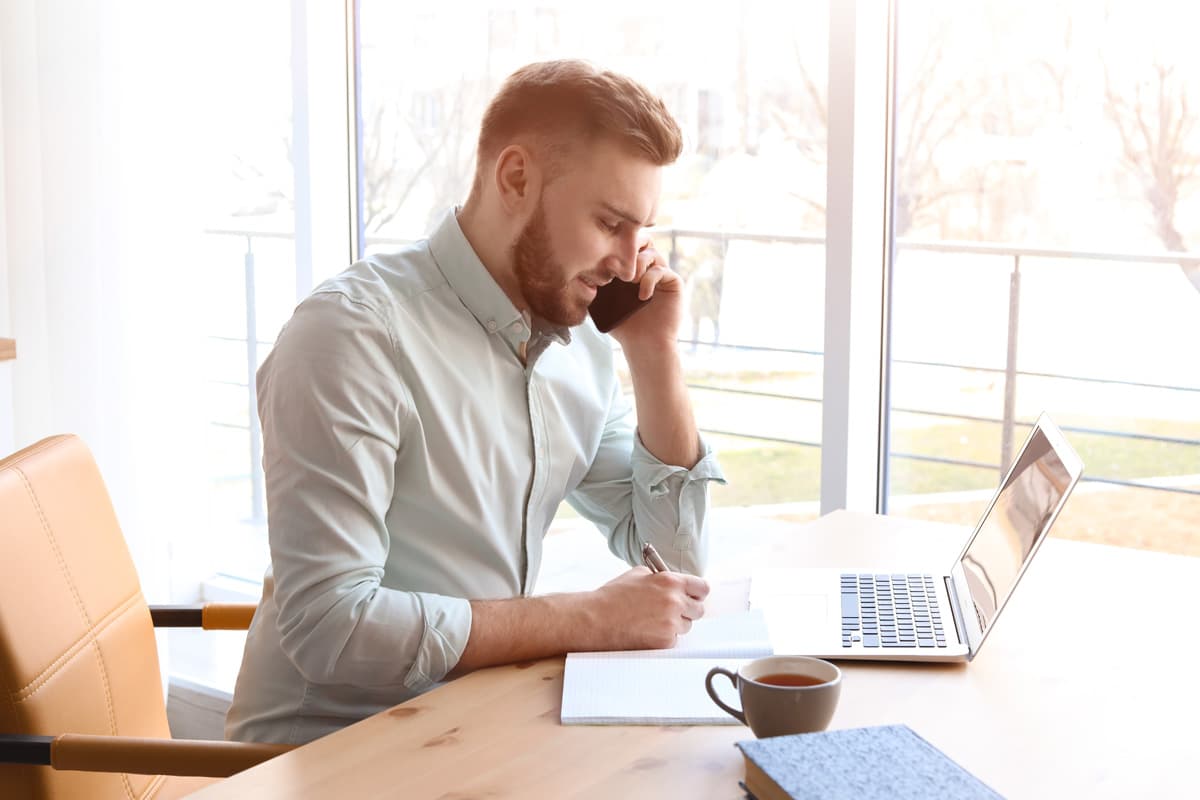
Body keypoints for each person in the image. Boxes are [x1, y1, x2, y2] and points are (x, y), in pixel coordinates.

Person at [225, 59, 725, 744]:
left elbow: (674, 562)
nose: (631, 262)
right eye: (611, 223)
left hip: (478, 726)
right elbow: (331, 629)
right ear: (516, 178)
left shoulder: (581, 346)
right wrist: (587, 618)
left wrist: (654, 355)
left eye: (642, 232)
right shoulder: (350, 336)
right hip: (330, 753)